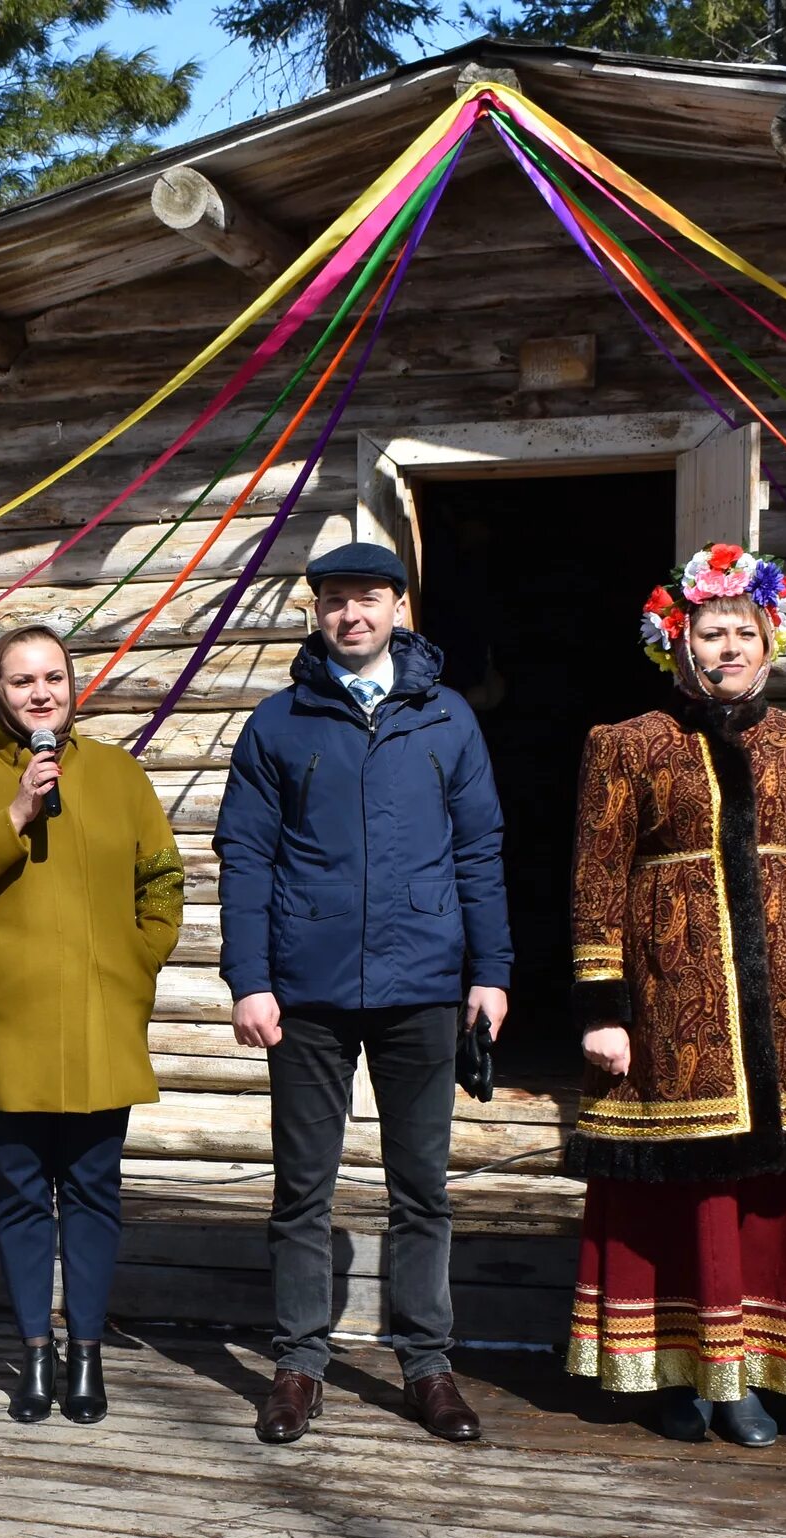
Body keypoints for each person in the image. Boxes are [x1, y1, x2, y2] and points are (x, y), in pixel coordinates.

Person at [566, 545, 786, 1446]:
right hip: (675, 1004)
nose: (728, 647)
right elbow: (596, 878)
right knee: (689, 1191)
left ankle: (760, 1375)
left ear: (770, 640)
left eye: (744, 632)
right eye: (711, 632)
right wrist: (603, 1006)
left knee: (778, 1195)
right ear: (679, 641)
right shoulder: (625, 745)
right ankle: (688, 1375)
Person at [215, 542, 510, 1447]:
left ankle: (427, 1367)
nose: (353, 615)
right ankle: (299, 1363)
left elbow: (479, 851)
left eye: (369, 599)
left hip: (422, 982)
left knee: (421, 1189)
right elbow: (245, 858)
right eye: (335, 600)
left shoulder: (448, 719)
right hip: (306, 990)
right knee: (303, 1189)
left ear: (397, 605)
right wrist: (250, 980)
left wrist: (490, 970)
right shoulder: (279, 723)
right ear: (317, 611)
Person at [0, 625, 186, 1424]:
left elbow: (163, 878)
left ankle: (87, 1355)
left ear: (75, 687)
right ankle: (35, 1354)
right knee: (23, 1196)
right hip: (10, 1023)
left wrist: (139, 963)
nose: (41, 693)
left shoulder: (118, 773)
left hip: (104, 1015)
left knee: (96, 1194)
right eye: (22, 680)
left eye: (54, 678)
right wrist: (17, 813)